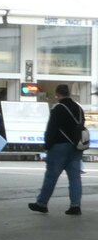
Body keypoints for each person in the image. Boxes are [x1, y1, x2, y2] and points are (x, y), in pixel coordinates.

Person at [29, 84, 85, 215]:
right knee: (75, 178)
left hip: (59, 146)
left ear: (57, 94)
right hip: (76, 147)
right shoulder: (78, 108)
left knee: (51, 177)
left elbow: (51, 129)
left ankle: (42, 203)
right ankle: (75, 206)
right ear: (69, 93)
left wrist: (47, 146)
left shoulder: (58, 108)